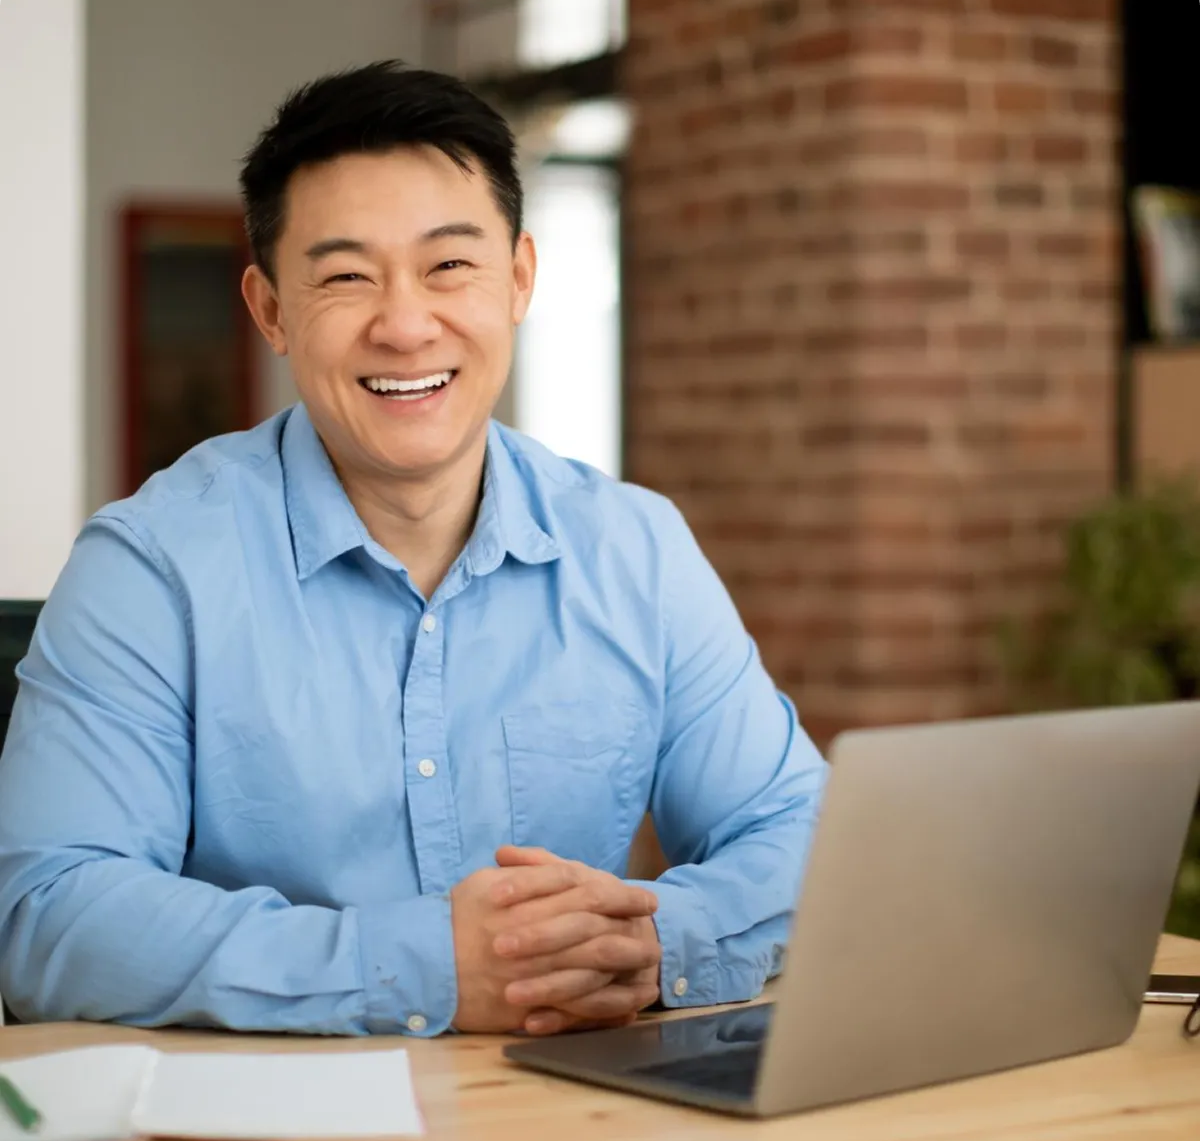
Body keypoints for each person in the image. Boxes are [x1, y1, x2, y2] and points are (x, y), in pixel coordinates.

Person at [0, 61, 827, 1038]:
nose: (404, 325)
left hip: (572, 1106)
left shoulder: (634, 549)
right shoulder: (150, 568)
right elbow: (50, 912)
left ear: (518, 279)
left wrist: (651, 941)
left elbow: (801, 833)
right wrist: (422, 966)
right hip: (265, 1122)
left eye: (449, 266)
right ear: (271, 311)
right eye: (347, 276)